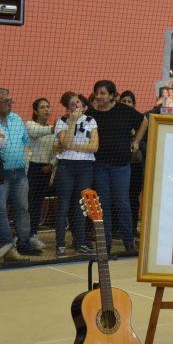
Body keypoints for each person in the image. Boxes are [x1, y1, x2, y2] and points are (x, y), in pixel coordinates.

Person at [86, 80, 144, 256]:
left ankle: (128, 243)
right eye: (98, 93)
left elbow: (144, 121)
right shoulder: (91, 114)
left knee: (122, 202)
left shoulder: (124, 111)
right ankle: (106, 243)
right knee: (103, 204)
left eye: (103, 93)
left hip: (121, 166)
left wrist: (136, 141)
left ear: (112, 95)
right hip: (100, 166)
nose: (100, 96)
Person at [0, 87, 35, 255]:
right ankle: (3, 246)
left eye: (11, 101)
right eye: (7, 102)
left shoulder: (16, 118)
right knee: (0, 210)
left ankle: (24, 243)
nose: (10, 104)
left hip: (20, 172)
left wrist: (25, 164)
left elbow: (26, 142)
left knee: (22, 208)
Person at [53, 92, 98, 256]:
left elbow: (94, 146)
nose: (77, 106)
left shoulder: (90, 121)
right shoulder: (61, 122)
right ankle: (60, 244)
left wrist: (74, 147)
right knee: (63, 205)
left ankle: (79, 243)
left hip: (85, 166)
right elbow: (65, 142)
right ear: (67, 107)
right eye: (73, 104)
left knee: (81, 205)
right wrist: (72, 123)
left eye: (78, 102)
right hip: (66, 166)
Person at [25, 97, 57, 251]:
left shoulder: (53, 130)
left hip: (45, 169)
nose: (46, 109)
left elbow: (57, 149)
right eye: (43, 107)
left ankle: (33, 235)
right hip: (31, 168)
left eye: (48, 106)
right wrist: (54, 129)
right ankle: (23, 235)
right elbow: (35, 133)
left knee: (38, 203)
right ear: (35, 111)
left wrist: (51, 164)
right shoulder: (30, 125)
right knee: (28, 203)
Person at [118, 91, 145, 237]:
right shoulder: (116, 118)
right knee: (119, 196)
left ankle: (132, 227)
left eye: (129, 101)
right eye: (124, 101)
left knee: (133, 197)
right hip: (119, 164)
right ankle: (116, 228)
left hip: (136, 164)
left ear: (134, 105)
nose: (127, 104)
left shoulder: (140, 121)